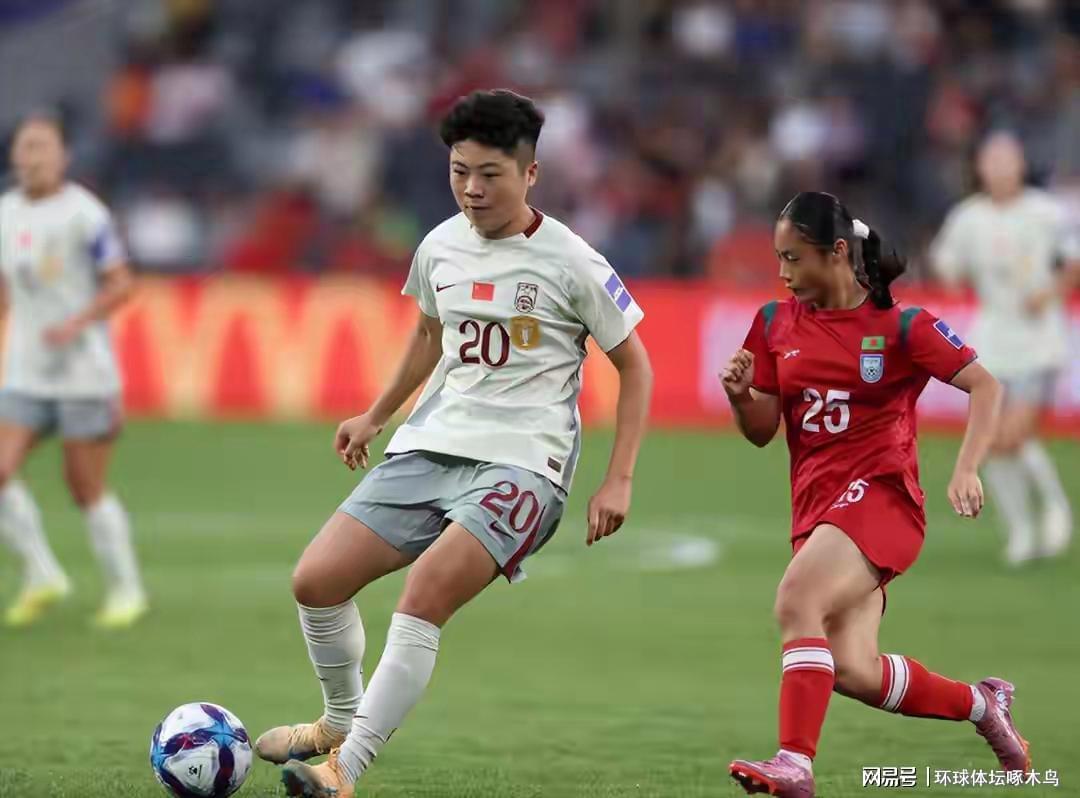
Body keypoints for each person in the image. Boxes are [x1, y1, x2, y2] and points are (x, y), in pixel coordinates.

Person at [254, 89, 653, 798]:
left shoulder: (572, 260)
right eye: (459, 171)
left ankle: (344, 770)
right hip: (432, 445)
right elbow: (429, 334)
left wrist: (618, 477)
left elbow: (635, 366)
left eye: (490, 174)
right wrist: (376, 415)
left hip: (525, 465)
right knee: (315, 581)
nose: (472, 188)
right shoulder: (439, 245)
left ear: (530, 174)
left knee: (422, 597)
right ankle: (338, 721)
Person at [722, 192, 1028, 798]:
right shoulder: (775, 323)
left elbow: (985, 387)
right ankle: (983, 704)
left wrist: (967, 468)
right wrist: (739, 398)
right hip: (818, 511)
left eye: (793, 258)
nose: (782, 273)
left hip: (884, 500)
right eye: (779, 258)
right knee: (853, 670)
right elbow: (762, 432)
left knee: (797, 600)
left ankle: (795, 763)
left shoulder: (901, 326)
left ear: (837, 252)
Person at [0, 113, 146, 629]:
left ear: (63, 156)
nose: (31, 157)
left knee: (84, 485)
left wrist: (77, 322)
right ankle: (43, 574)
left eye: (42, 146)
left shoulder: (85, 214)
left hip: (84, 375)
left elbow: (121, 283)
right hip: (26, 372)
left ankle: (127, 590)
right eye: (25, 147)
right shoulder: (6, 212)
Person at [931, 131, 1079, 565]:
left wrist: (1050, 293)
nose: (999, 170)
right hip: (993, 340)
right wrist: (950, 272)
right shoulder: (967, 217)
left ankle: (1055, 507)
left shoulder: (1046, 212)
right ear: (980, 168)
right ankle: (1021, 530)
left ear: (1020, 165)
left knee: (1014, 433)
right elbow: (947, 264)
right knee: (990, 440)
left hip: (1038, 340)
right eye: (991, 162)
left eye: (1006, 161)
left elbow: (1073, 261)